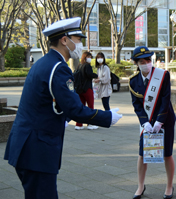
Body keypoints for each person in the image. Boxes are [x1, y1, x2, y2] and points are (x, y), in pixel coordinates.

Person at [4, 17, 122, 199]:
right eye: (78, 39)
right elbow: (75, 108)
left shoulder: (44, 63)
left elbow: (49, 103)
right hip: (37, 150)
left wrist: (64, 119)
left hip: (27, 146)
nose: (81, 45)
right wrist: (106, 117)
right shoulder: (59, 68)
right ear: (64, 40)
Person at [129, 46, 176, 199]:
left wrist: (159, 121)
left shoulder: (162, 76)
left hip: (165, 120)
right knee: (142, 155)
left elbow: (165, 99)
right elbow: (137, 105)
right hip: (147, 124)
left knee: (167, 154)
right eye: (142, 61)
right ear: (137, 63)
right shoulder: (133, 82)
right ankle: (140, 186)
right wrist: (144, 122)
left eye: (149, 60)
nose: (147, 63)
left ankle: (169, 186)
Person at [75, 51, 99, 130]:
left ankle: (79, 124)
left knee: (81, 107)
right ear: (85, 57)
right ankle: (90, 124)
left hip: (79, 90)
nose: (90, 58)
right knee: (90, 107)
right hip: (87, 89)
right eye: (88, 57)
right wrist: (96, 75)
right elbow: (89, 74)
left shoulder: (79, 65)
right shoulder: (87, 66)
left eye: (90, 57)